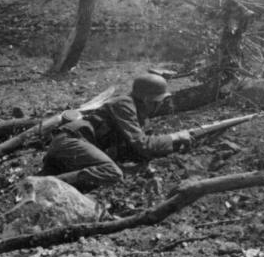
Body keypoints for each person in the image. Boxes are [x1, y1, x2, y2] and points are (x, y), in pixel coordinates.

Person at [41, 73, 193, 191]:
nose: (159, 106)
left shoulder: (138, 116)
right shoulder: (124, 104)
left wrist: (174, 145)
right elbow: (143, 144)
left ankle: (48, 182)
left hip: (77, 151)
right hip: (71, 142)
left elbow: (142, 150)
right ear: (147, 99)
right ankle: (45, 185)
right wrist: (175, 136)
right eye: (158, 102)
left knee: (109, 172)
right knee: (112, 172)